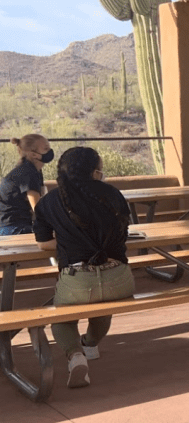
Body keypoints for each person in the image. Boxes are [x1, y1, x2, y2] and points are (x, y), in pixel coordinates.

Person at [34, 147, 135, 389]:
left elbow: (43, 243)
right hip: (120, 279)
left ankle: (75, 355)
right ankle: (90, 344)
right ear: (94, 171)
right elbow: (123, 233)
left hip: (78, 279)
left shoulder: (49, 201)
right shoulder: (112, 194)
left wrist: (70, 241)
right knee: (103, 305)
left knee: (62, 318)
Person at [1, 134, 53, 235]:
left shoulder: (33, 170)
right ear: (34, 154)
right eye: (46, 148)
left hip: (16, 225)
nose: (50, 151)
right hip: (12, 228)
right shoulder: (28, 172)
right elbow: (37, 208)